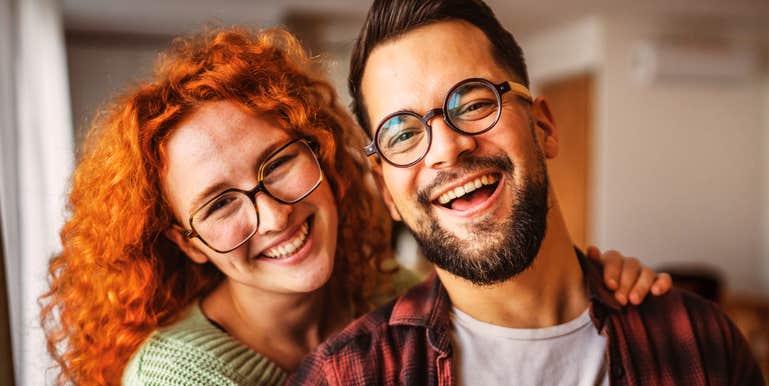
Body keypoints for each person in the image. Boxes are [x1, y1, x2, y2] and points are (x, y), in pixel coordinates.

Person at [39, 27, 670, 386]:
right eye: (221, 203)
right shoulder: (180, 378)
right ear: (189, 241)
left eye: (277, 164)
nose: (274, 214)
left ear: (324, 156)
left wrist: (600, 279)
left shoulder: (386, 289)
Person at [289, 0, 765, 385]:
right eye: (403, 134)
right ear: (385, 191)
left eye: (474, 102)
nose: (448, 150)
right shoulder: (344, 376)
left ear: (543, 127)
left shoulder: (700, 342)